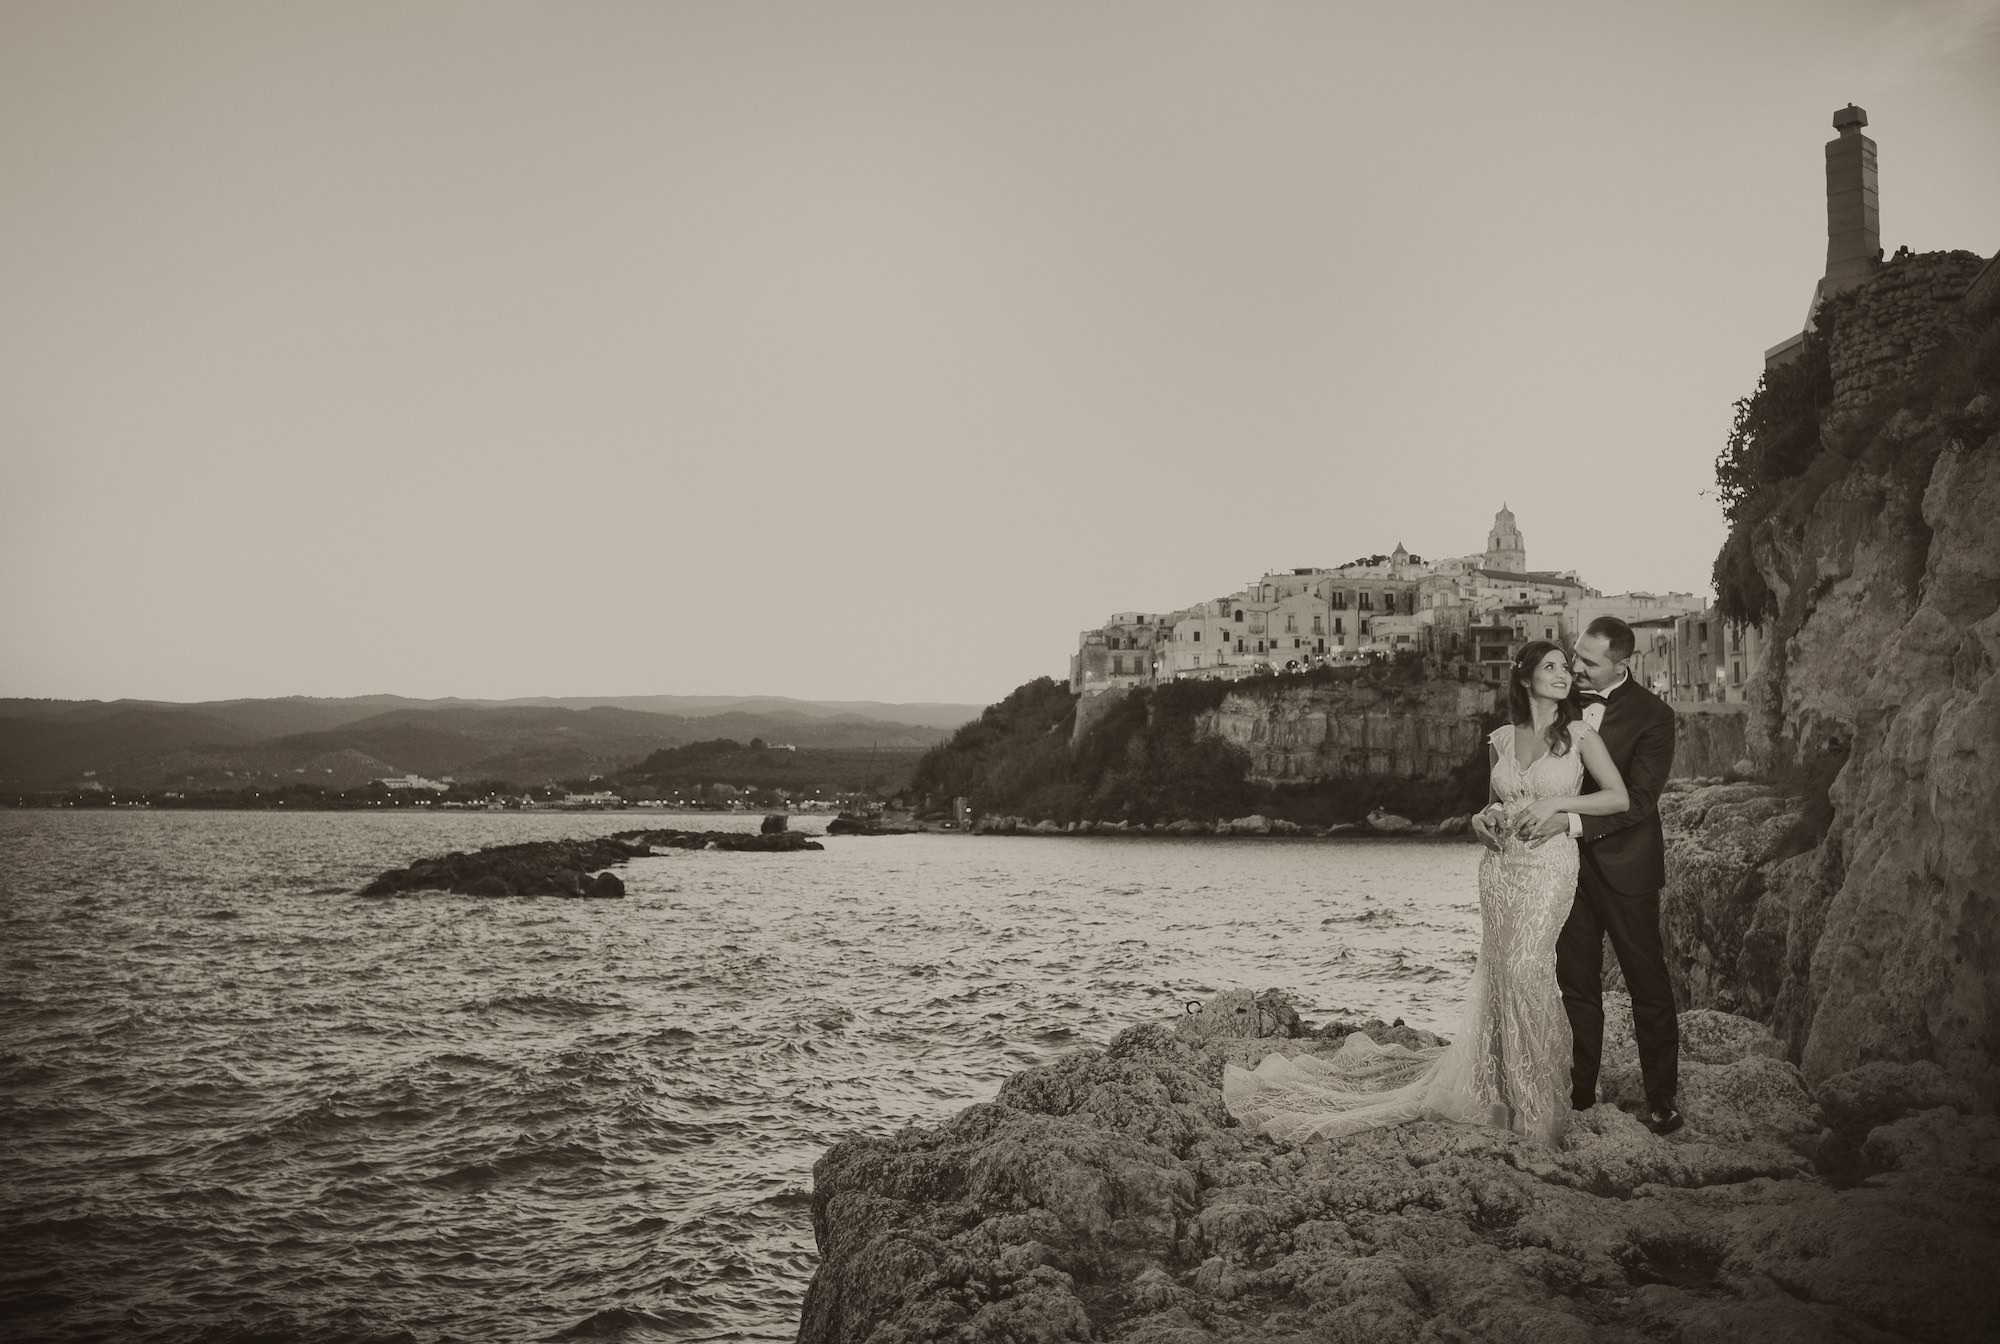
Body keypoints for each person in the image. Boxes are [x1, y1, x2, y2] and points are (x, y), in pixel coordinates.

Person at [1222, 641, 1629, 1146]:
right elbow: (1491, 804)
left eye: (1566, 668)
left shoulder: (1579, 734)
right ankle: (1499, 1093)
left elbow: (1618, 797)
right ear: (1524, 678)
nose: (1563, 674)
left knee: (1529, 970)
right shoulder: (1501, 739)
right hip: (1500, 870)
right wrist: (1482, 820)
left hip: (1549, 867)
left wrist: (1558, 807)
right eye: (1551, 667)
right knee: (1500, 974)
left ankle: (1539, 1105)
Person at [1522, 616, 1682, 1134]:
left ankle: (1660, 1098)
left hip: (1626, 866)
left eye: (1590, 662)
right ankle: (1581, 1093)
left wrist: (1567, 822)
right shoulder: (1563, 705)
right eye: (1576, 657)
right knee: (1576, 984)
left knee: (1647, 984)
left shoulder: (1655, 716)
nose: (1577, 668)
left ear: (1622, 663)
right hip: (1565, 870)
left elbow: (1638, 801)